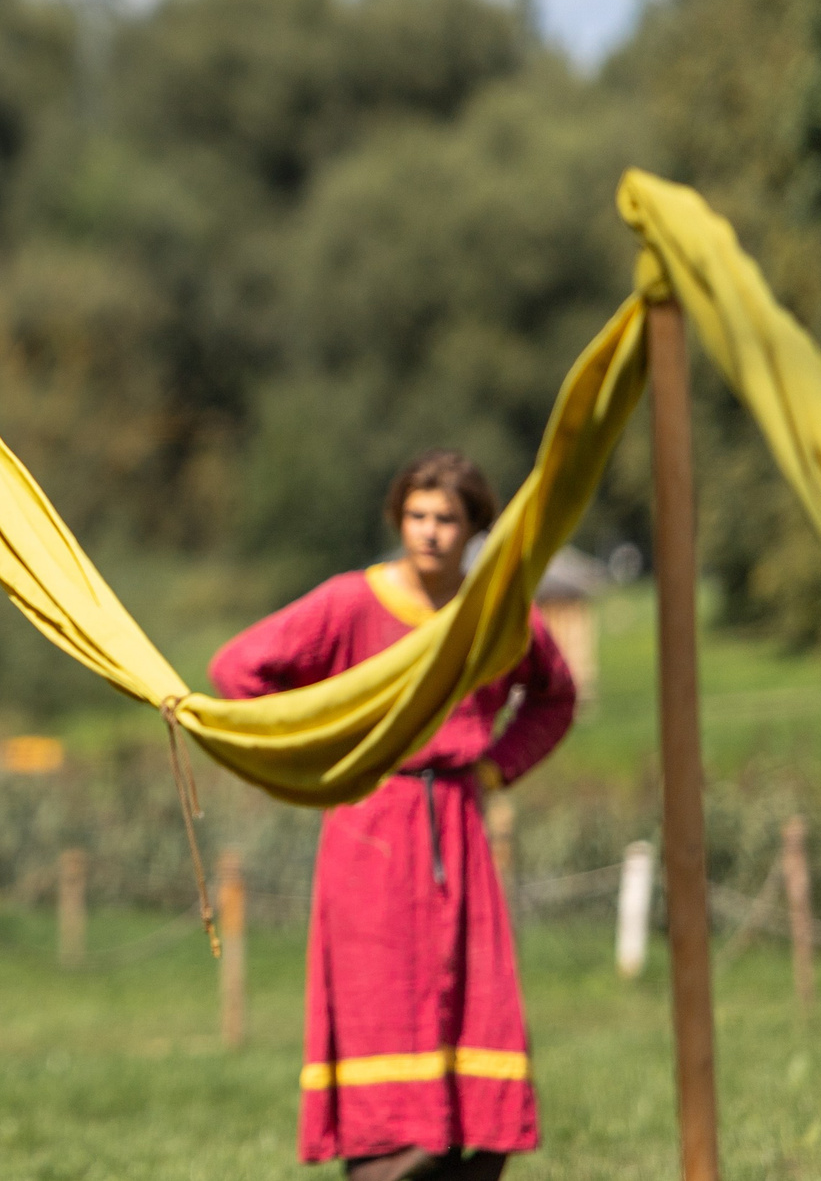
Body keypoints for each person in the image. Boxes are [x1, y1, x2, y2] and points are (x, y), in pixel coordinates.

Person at [209, 450, 577, 1181]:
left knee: (469, 987)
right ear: (397, 518)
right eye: (417, 515)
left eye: (448, 518)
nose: (431, 532)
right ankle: (387, 1152)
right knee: (378, 990)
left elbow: (554, 694)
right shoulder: (350, 601)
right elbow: (238, 668)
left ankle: (467, 1141)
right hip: (369, 821)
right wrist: (321, 750)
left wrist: (498, 764)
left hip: (460, 824)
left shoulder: (496, 611)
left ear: (475, 527)